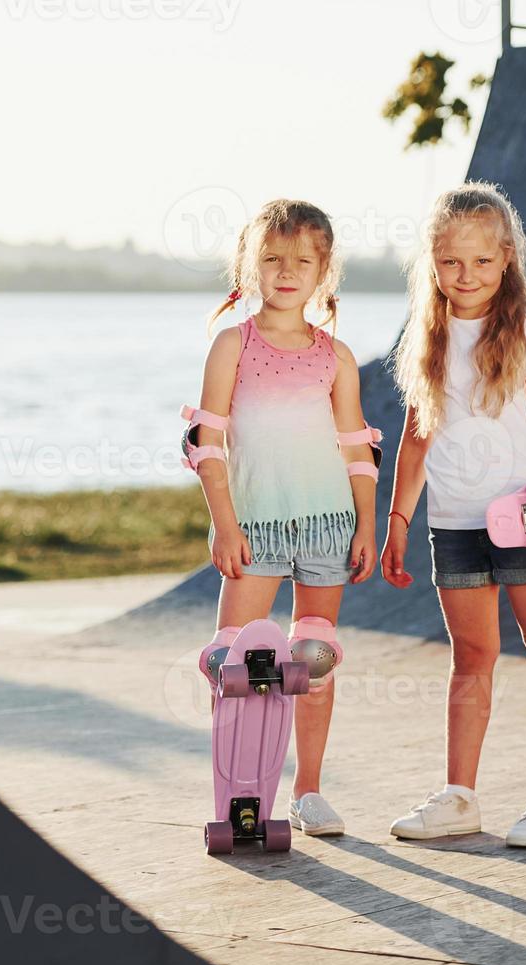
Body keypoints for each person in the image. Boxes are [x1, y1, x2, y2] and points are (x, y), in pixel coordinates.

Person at [381, 181, 526, 847]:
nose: (465, 277)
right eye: (450, 262)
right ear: (432, 263)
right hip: (455, 523)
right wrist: (399, 523)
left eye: (481, 262)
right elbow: (417, 436)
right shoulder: (427, 335)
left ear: (507, 260)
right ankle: (460, 797)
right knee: (471, 657)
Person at [181, 199, 381, 837]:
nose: (286, 271)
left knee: (315, 656)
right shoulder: (231, 345)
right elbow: (206, 445)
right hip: (256, 524)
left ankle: (310, 790)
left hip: (327, 525)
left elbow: (357, 450)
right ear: (250, 265)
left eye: (302, 260)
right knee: (230, 664)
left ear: (324, 271)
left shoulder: (336, 356)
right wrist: (225, 522)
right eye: (271, 258)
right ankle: (241, 795)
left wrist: (367, 525)